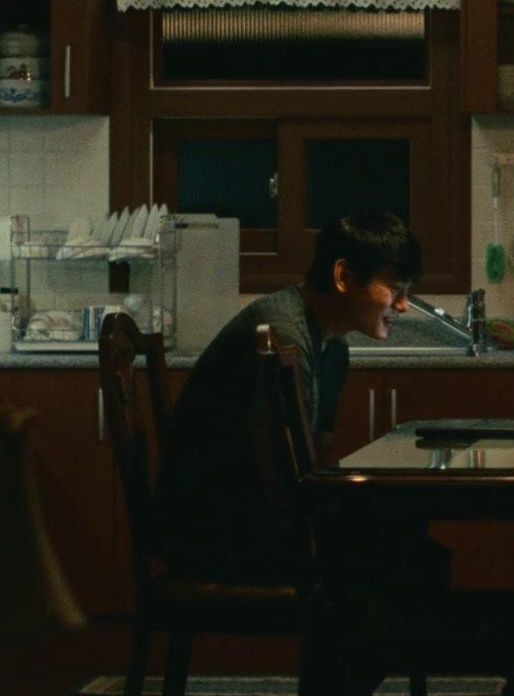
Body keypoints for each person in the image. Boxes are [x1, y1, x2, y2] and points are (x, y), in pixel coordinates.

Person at [157, 211, 447, 586]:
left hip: (253, 520)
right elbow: (283, 479)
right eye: (395, 288)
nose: (404, 305)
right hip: (216, 535)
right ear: (344, 277)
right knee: (409, 551)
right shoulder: (284, 338)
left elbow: (314, 460)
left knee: (408, 534)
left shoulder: (331, 347)